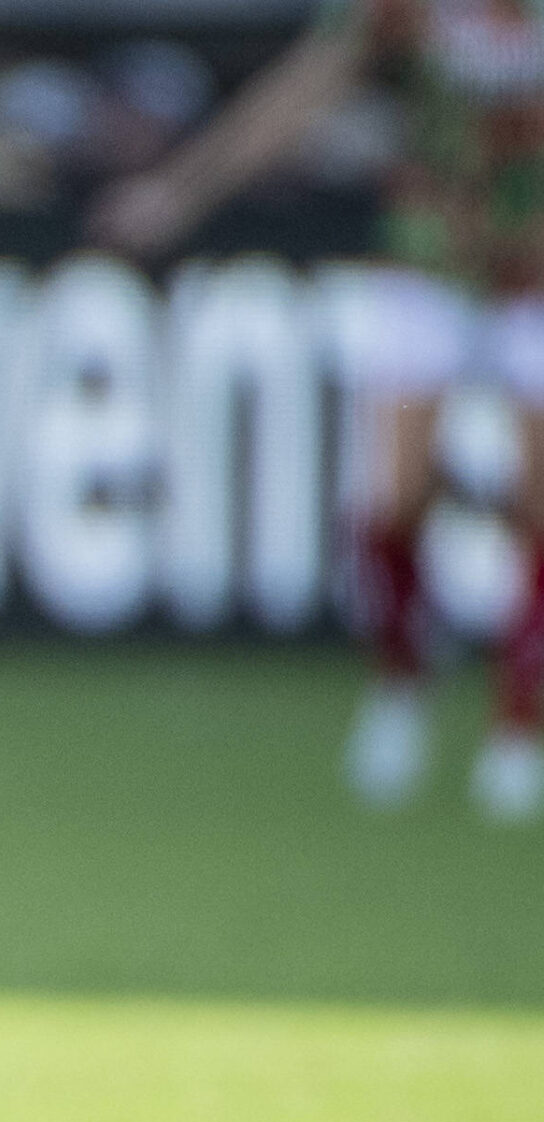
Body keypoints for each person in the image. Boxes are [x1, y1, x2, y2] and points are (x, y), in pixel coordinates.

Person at [93, 0, 544, 823]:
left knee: (538, 508)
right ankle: (402, 684)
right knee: (395, 497)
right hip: (430, 253)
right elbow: (300, 93)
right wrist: (180, 192)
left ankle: (520, 724)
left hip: (533, 265)